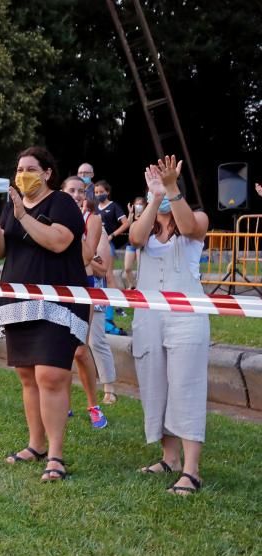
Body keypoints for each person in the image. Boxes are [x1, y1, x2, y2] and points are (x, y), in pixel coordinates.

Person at [0, 147, 89, 482]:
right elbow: (0, 251)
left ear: (48, 173)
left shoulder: (62, 204)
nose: (23, 174)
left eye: (31, 168)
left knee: (51, 375)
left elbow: (58, 242)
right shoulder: (12, 206)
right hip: (17, 298)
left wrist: (23, 215)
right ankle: (35, 445)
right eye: (19, 169)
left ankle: (56, 455)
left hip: (58, 300)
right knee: (27, 376)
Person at [130, 156, 210, 495]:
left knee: (185, 387)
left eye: (167, 187)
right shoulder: (147, 222)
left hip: (187, 317)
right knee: (155, 386)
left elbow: (190, 226)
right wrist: (154, 198)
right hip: (148, 316)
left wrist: (171, 189)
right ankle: (169, 457)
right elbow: (135, 238)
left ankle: (191, 470)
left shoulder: (197, 219)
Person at [62, 176, 112, 426]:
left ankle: (93, 405)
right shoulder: (53, 215)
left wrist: (72, 227)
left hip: (82, 288)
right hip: (57, 286)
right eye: (71, 190)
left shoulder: (93, 220)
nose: (77, 194)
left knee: (81, 350)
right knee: (59, 349)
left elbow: (86, 257)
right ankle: (64, 403)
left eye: (81, 191)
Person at [122, 196, 145, 289]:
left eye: (141, 204)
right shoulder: (132, 214)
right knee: (127, 268)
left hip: (141, 244)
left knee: (140, 267)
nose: (138, 206)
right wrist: (131, 213)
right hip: (131, 243)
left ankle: (141, 286)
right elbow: (128, 224)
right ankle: (132, 285)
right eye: (137, 204)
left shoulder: (146, 215)